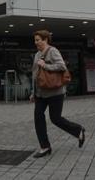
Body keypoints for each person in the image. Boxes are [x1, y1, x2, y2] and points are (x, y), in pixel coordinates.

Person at [30, 30, 85, 158]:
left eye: (38, 40)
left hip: (55, 92)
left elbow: (61, 66)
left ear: (45, 40)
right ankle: (45, 147)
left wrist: (45, 66)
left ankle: (78, 130)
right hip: (40, 93)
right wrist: (33, 92)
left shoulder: (53, 51)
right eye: (35, 40)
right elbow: (35, 75)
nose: (36, 42)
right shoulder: (37, 54)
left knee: (56, 119)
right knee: (38, 117)